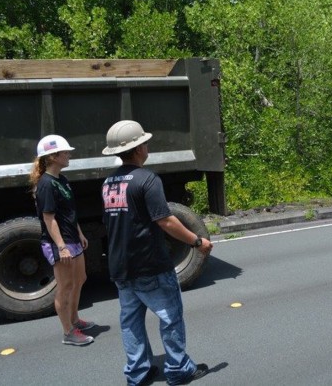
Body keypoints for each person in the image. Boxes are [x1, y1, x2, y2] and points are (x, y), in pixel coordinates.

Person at [100, 120, 213, 386]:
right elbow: (166, 221)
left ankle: (138, 373)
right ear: (139, 148)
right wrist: (198, 242)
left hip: (120, 265)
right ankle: (178, 370)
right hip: (149, 264)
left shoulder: (108, 183)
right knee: (170, 317)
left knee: (131, 321)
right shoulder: (147, 179)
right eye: (145, 143)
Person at [30, 135, 95, 345]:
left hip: (72, 238)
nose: (69, 155)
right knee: (65, 286)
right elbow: (49, 219)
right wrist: (61, 247)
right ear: (53, 157)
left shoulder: (62, 180)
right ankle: (68, 333)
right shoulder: (46, 184)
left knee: (80, 279)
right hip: (60, 243)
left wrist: (80, 234)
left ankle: (75, 319)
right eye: (65, 152)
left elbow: (68, 212)